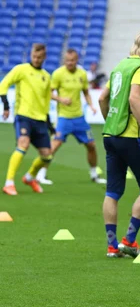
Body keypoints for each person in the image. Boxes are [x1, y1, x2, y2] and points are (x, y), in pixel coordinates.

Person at [98, 30, 140, 258]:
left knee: (113, 191)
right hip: (130, 135)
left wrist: (111, 120)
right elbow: (135, 98)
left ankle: (112, 246)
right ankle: (129, 241)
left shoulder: (121, 66)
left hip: (110, 135)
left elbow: (102, 98)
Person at [36, 49, 107, 185]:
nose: (70, 63)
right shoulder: (58, 74)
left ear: (77, 60)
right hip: (64, 117)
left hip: (79, 117)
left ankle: (94, 174)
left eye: (72, 60)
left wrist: (91, 105)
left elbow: (86, 92)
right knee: (54, 145)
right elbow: (49, 93)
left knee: (91, 145)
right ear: (64, 61)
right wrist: (61, 99)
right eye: (67, 60)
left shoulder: (82, 74)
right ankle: (41, 174)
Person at [1, 43, 62, 195]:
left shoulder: (46, 77)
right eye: (34, 56)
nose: (36, 59)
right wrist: (6, 106)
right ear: (31, 55)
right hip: (23, 116)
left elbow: (45, 103)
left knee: (47, 155)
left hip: (40, 120)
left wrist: (51, 128)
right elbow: (3, 84)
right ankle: (8, 183)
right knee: (23, 143)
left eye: (39, 57)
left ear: (44, 57)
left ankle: (29, 177)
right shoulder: (21, 69)